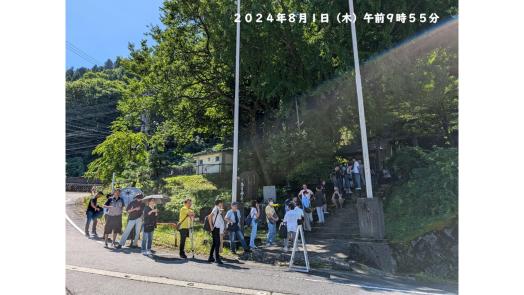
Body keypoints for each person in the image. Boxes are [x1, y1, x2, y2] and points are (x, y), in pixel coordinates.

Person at [207, 199, 225, 264]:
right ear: (219, 203)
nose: (222, 205)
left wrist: (221, 209)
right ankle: (217, 258)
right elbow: (209, 217)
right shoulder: (215, 209)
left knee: (215, 243)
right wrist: (211, 226)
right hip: (215, 228)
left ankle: (210, 257)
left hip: (217, 228)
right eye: (221, 203)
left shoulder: (218, 209)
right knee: (217, 243)